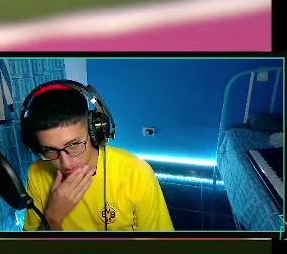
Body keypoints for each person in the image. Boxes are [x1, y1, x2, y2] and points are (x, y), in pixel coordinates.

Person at [19, 80, 173, 232]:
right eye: (50, 150)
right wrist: (53, 218)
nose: (66, 164)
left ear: (95, 132)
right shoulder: (37, 172)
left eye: (74, 144)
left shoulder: (136, 172)